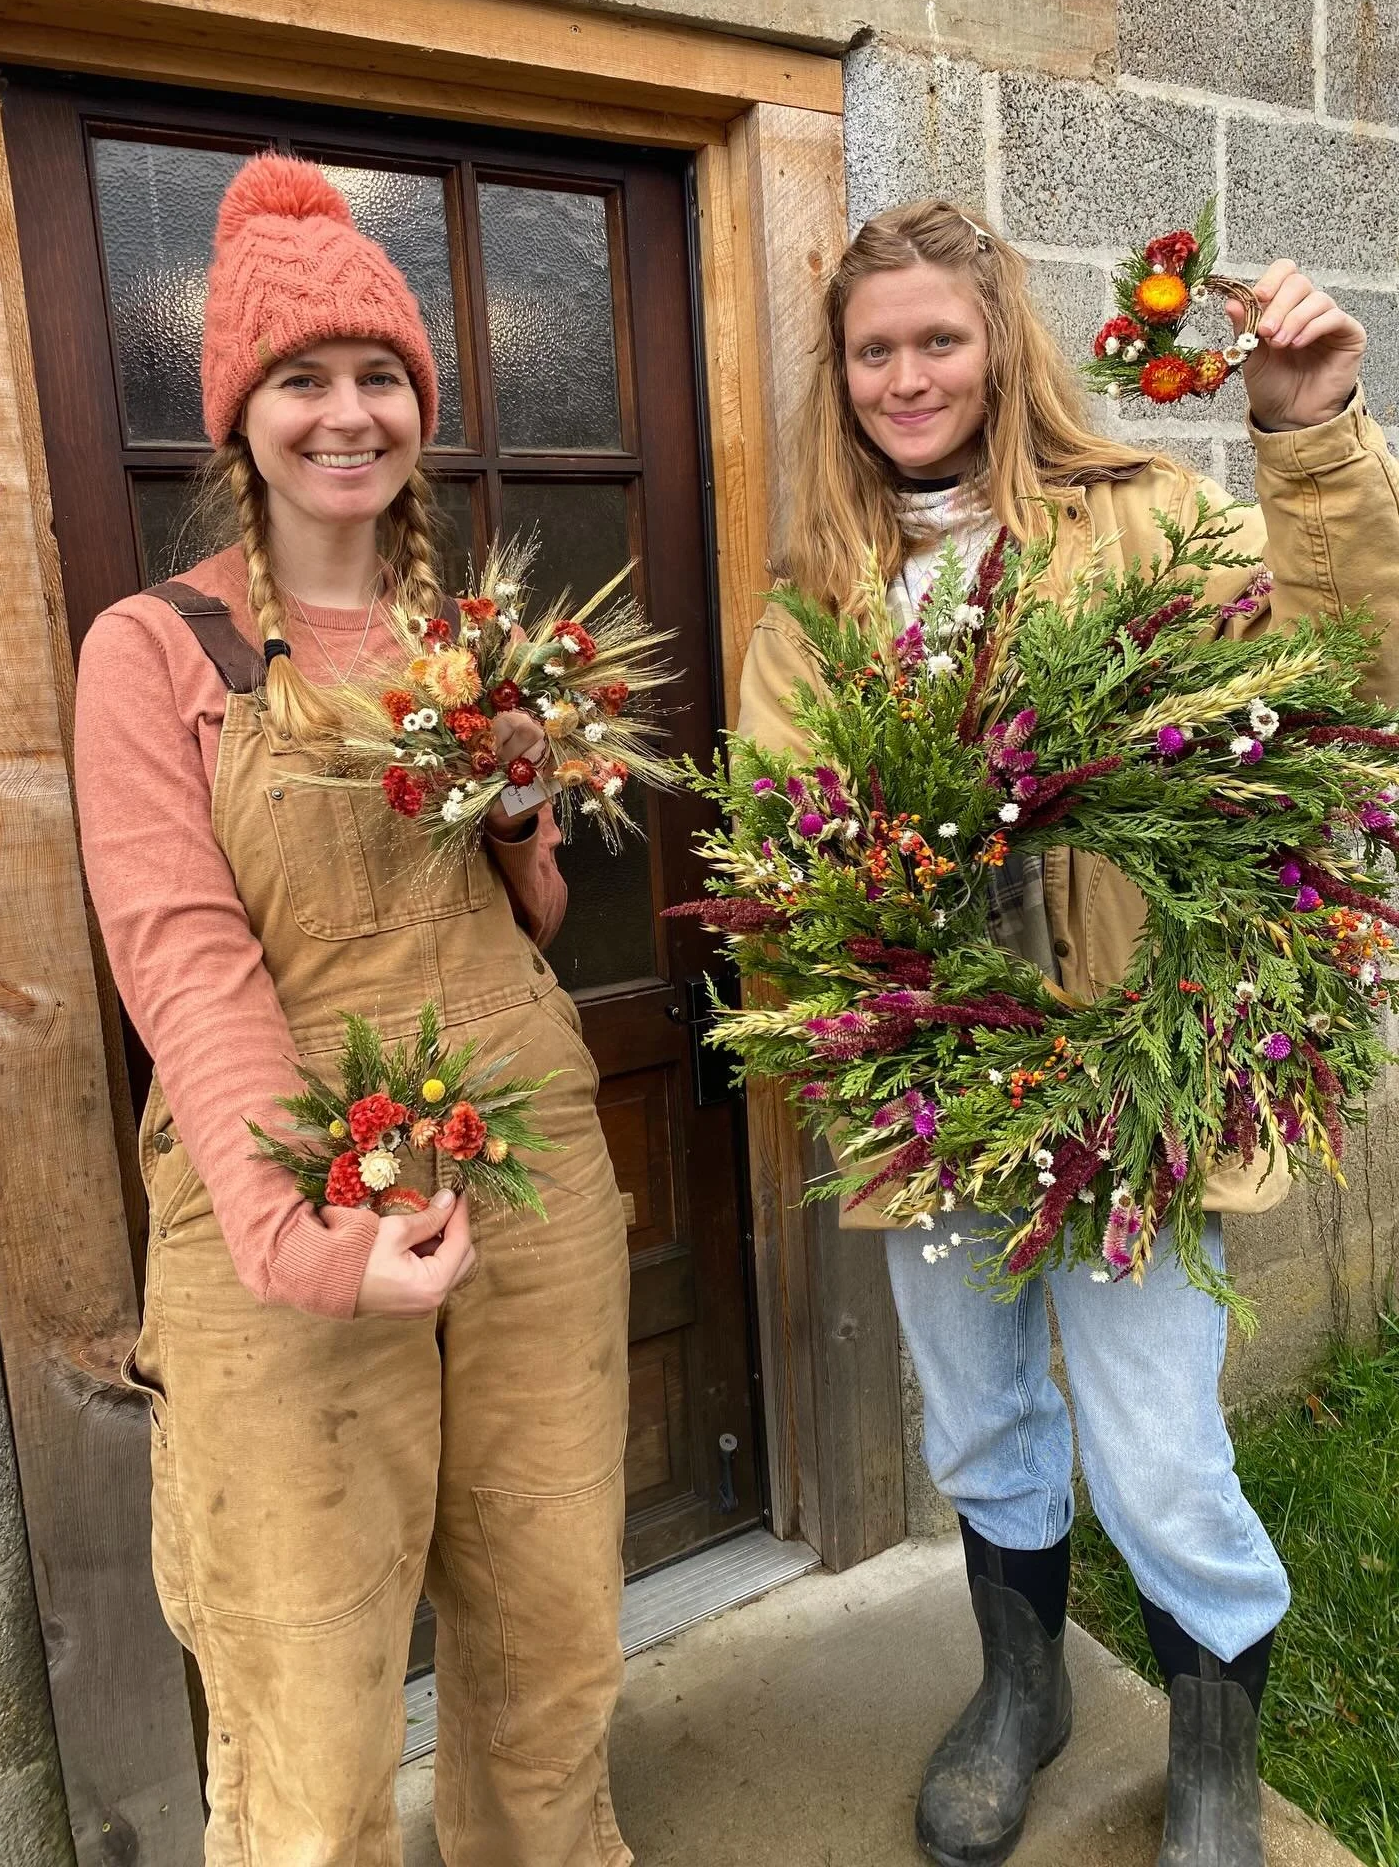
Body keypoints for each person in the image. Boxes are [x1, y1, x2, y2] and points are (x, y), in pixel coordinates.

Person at [737, 199, 1399, 1867]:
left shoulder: (1140, 518)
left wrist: (1309, 433)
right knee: (976, 1418)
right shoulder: (818, 604)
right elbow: (778, 856)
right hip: (941, 1094)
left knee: (1161, 1446)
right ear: (843, 368)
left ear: (998, 344)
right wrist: (860, 1041)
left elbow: (1342, 667)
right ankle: (1020, 1692)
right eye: (874, 348)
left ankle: (1211, 1756)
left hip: (1132, 1072)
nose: (907, 375)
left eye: (936, 340)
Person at [75, 155, 631, 1867]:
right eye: (303, 379)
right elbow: (185, 963)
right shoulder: (155, 652)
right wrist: (300, 1237)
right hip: (288, 1193)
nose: (348, 413)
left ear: (419, 406)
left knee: (550, 1625)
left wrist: (526, 802)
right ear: (239, 417)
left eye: (379, 375)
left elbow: (520, 919)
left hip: (525, 1155)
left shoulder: (471, 637)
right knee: (307, 1677)